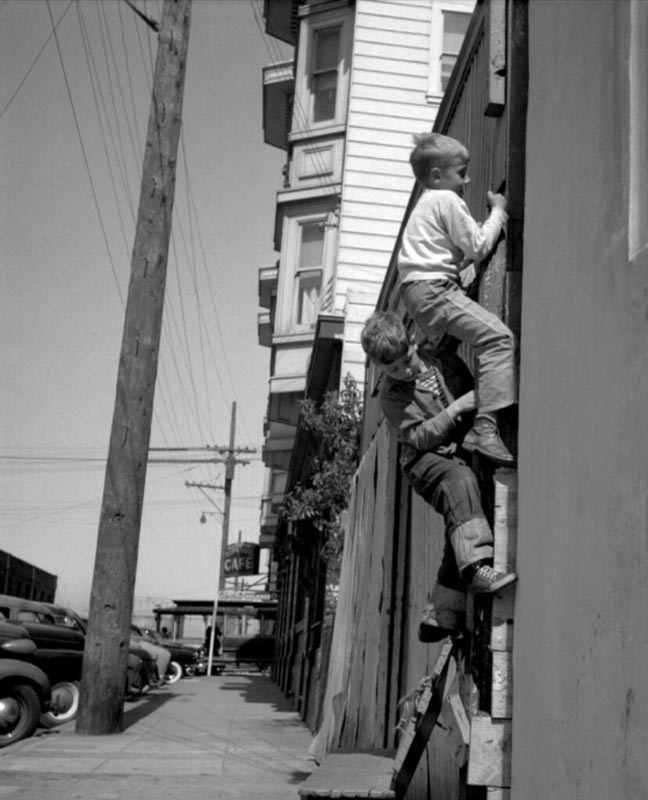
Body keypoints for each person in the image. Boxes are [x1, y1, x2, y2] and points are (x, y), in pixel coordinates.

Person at [360, 311, 517, 642]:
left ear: (411, 343)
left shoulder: (436, 356)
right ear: (380, 369)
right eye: (392, 369)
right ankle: (475, 569)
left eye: (405, 360)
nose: (404, 371)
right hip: (423, 459)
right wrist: (457, 408)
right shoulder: (391, 395)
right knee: (460, 482)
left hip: (452, 447)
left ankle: (442, 614)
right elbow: (418, 438)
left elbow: (449, 320)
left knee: (459, 515)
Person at [398, 132, 516, 465]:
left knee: (443, 353)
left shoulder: (425, 205)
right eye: (461, 172)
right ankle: (485, 427)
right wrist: (499, 213)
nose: (468, 179)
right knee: (498, 339)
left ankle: (450, 408)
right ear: (438, 176)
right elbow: (478, 245)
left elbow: (455, 253)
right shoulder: (446, 200)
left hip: (416, 293)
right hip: (434, 290)